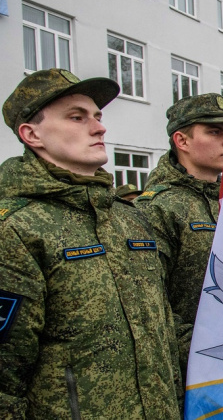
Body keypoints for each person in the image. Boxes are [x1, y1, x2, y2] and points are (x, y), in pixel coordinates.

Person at [0, 69, 181, 418]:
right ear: (31, 134)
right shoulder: (17, 228)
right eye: (77, 117)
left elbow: (163, 330)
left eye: (97, 116)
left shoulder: (129, 218)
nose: (99, 128)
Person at [135, 93, 223, 375]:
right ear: (182, 141)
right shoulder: (157, 207)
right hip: (196, 370)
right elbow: (151, 304)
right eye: (214, 132)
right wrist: (209, 353)